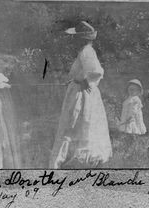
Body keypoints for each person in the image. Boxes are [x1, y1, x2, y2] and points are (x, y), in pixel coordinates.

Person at [49, 21, 112, 169]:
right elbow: (85, 71)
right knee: (79, 123)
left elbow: (96, 71)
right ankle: (72, 158)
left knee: (73, 123)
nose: (73, 40)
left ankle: (67, 159)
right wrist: (78, 80)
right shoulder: (85, 51)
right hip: (80, 89)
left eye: (75, 37)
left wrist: (85, 81)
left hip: (82, 93)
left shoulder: (86, 51)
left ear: (82, 38)